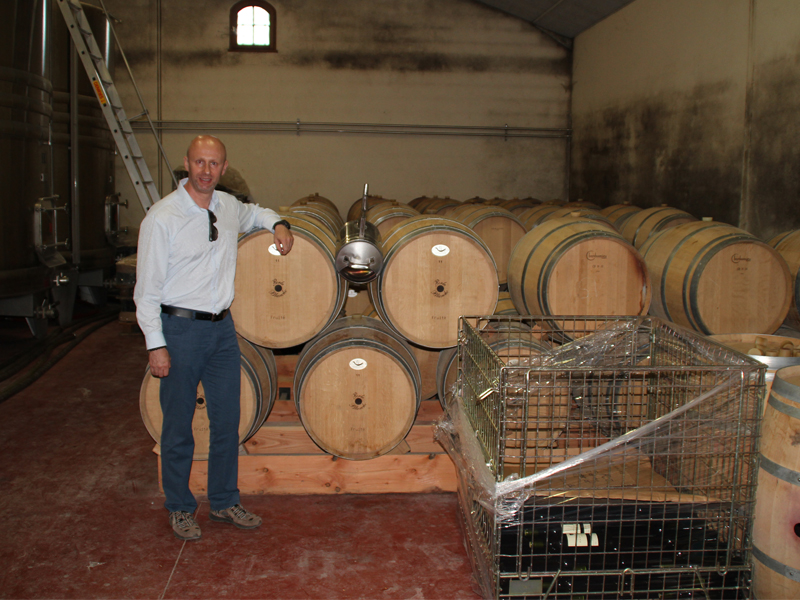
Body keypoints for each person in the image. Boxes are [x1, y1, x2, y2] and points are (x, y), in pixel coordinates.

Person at [134, 135, 293, 541]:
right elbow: (146, 292)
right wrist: (155, 344)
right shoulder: (162, 217)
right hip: (180, 330)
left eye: (214, 163)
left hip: (222, 329)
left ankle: (223, 500)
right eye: (199, 162)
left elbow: (256, 213)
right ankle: (180, 506)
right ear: (187, 164)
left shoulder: (227, 205)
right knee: (178, 425)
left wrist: (279, 224)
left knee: (227, 421)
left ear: (224, 168)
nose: (206, 171)